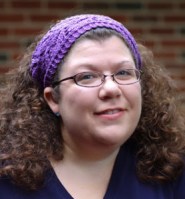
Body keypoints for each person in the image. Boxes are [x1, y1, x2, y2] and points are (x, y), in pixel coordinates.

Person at [0, 14, 185, 199]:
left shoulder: (174, 172)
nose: (112, 89)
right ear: (53, 99)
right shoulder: (7, 181)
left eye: (123, 72)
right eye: (87, 76)